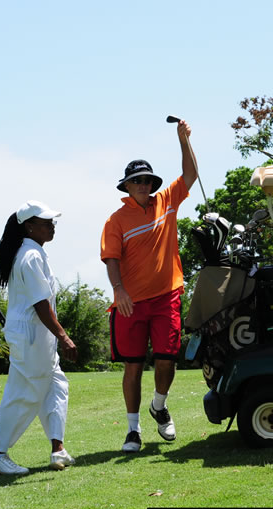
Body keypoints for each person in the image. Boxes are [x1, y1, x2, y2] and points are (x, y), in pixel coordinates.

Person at [100, 119, 198, 452]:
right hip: (130, 303)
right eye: (136, 181)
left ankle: (159, 405)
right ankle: (132, 430)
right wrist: (118, 289)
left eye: (146, 180)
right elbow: (111, 258)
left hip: (167, 296)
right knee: (132, 365)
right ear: (127, 186)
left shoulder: (166, 201)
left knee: (167, 360)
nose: (142, 185)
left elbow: (190, 176)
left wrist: (183, 140)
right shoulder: (115, 220)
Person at [0, 200, 78, 475]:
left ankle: (58, 449)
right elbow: (41, 304)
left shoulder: (31, 252)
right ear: (30, 227)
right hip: (32, 337)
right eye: (47, 223)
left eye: (53, 222)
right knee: (25, 394)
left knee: (56, 386)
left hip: (35, 337)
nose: (52, 227)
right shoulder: (31, 256)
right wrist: (64, 337)